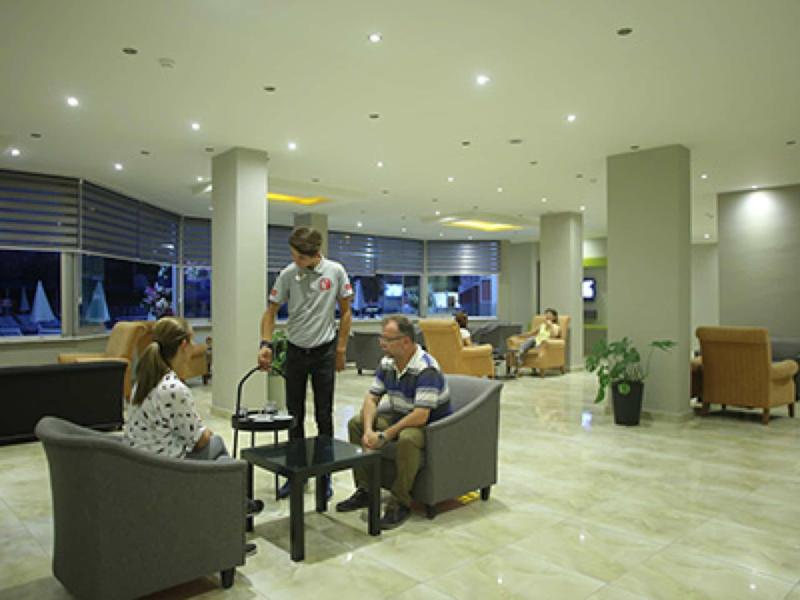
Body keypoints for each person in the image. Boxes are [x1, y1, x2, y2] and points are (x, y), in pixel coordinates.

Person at [123, 317, 262, 550]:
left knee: (222, 461)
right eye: (193, 341)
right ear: (184, 345)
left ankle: (237, 516)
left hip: (141, 466)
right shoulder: (173, 389)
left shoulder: (144, 382)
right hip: (165, 471)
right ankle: (237, 520)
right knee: (217, 444)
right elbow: (199, 441)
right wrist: (205, 432)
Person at [257, 226, 353, 499]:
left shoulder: (335, 271)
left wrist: (341, 349)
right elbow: (271, 311)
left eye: (300, 257)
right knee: (294, 415)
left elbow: (346, 312)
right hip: (296, 351)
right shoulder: (288, 274)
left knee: (324, 415)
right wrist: (266, 344)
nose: (295, 260)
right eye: (293, 255)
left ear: (315, 254)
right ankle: (295, 474)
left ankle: (325, 477)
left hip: (324, 351)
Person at [336, 315, 451, 530]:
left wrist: (385, 435)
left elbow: (421, 415)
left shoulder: (426, 368)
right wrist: (368, 431)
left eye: (387, 339)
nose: (382, 343)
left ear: (405, 342)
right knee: (355, 423)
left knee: (407, 438)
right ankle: (365, 490)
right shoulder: (387, 363)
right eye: (382, 338)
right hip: (400, 416)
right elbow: (371, 398)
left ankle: (400, 502)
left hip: (430, 427)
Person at [508, 308, 561, 373]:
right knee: (531, 339)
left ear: (554, 317)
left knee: (529, 343)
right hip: (535, 342)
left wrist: (550, 326)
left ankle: (520, 355)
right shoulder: (542, 325)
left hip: (544, 344)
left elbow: (554, 335)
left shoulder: (556, 326)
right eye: (546, 314)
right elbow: (531, 333)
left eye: (549, 314)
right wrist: (519, 335)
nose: (547, 316)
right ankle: (519, 358)